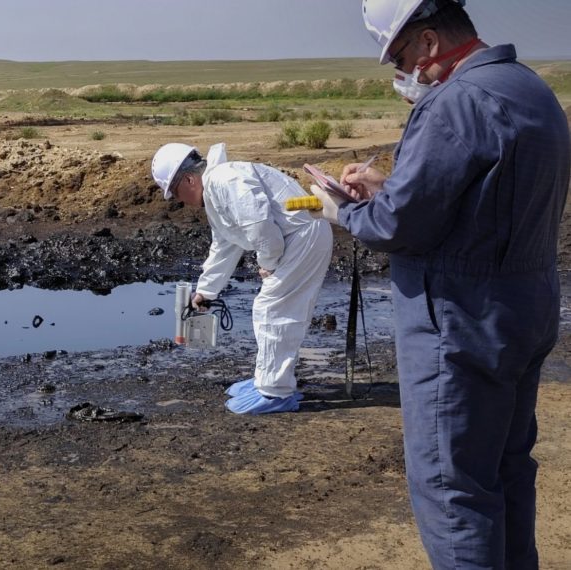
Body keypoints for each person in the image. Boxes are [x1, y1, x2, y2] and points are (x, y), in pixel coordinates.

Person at [308, 1, 571, 567]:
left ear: (427, 42)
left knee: (454, 490)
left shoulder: (454, 103)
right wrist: (387, 186)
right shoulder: (530, 89)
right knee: (506, 470)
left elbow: (399, 226)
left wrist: (342, 212)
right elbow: (474, 202)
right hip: (524, 308)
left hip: (459, 322)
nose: (405, 75)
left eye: (401, 58)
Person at [151, 142, 333, 415]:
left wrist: (268, 263)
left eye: (176, 193)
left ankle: (275, 393)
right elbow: (225, 245)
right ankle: (267, 381)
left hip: (302, 238)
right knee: (270, 310)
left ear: (189, 179)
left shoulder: (226, 180)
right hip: (295, 239)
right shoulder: (216, 189)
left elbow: (259, 226)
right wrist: (206, 292)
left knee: (273, 310)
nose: (179, 201)